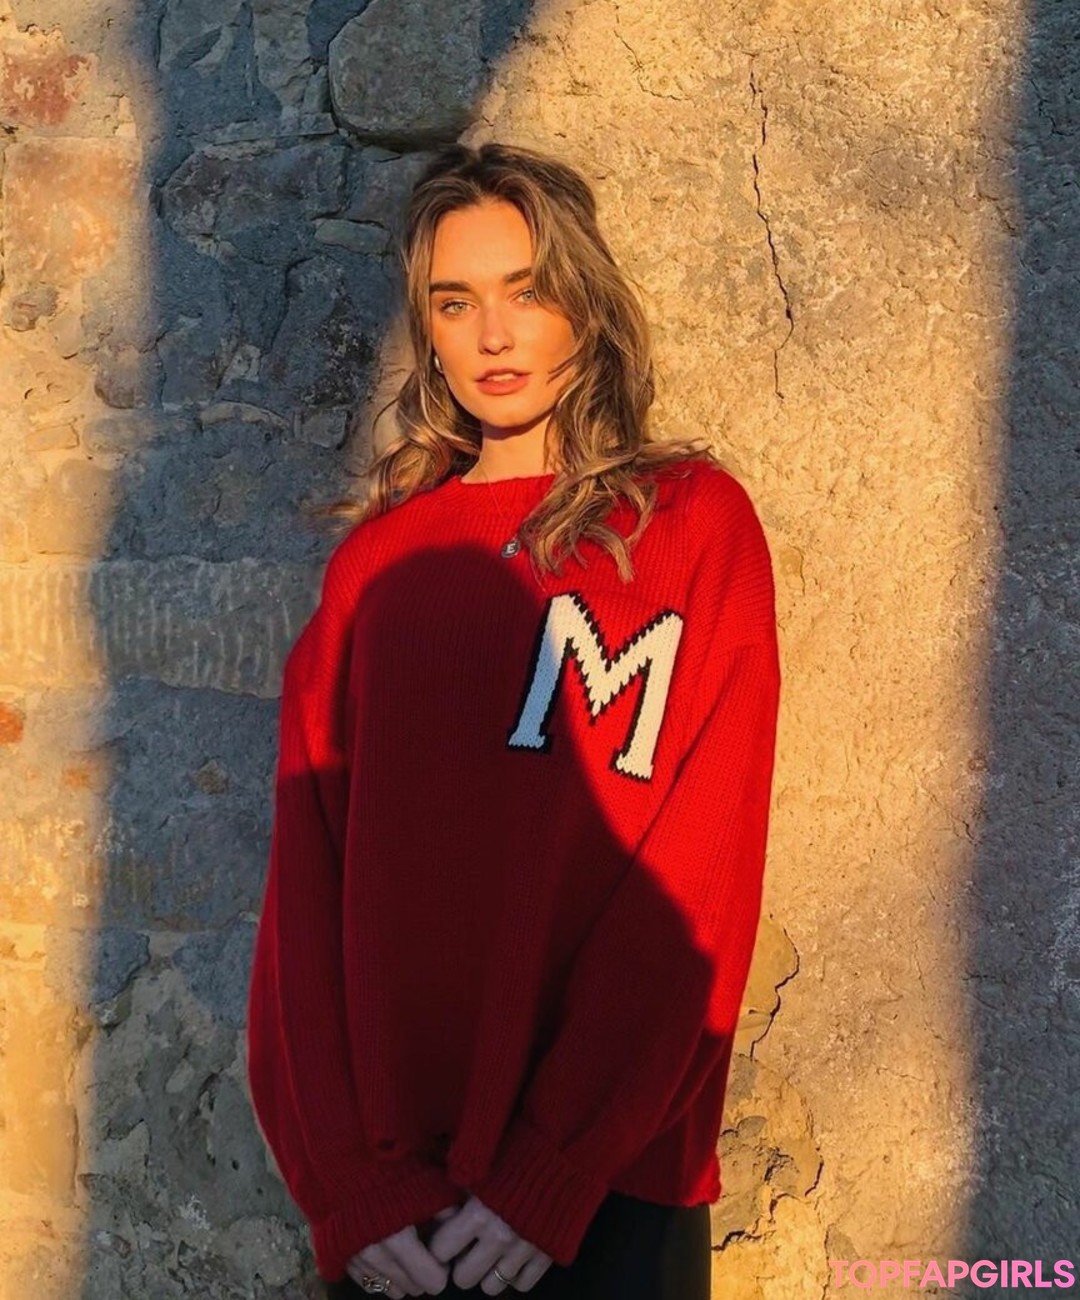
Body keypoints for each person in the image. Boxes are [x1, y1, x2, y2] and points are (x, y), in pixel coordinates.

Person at [245, 141, 782, 1299]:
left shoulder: (692, 524)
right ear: (429, 332)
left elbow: (702, 878)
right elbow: (305, 900)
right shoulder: (376, 570)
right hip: (403, 1210)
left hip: (611, 1188)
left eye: (526, 290)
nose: (492, 333)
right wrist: (346, 1186)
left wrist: (556, 1161)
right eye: (455, 302)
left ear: (584, 303)